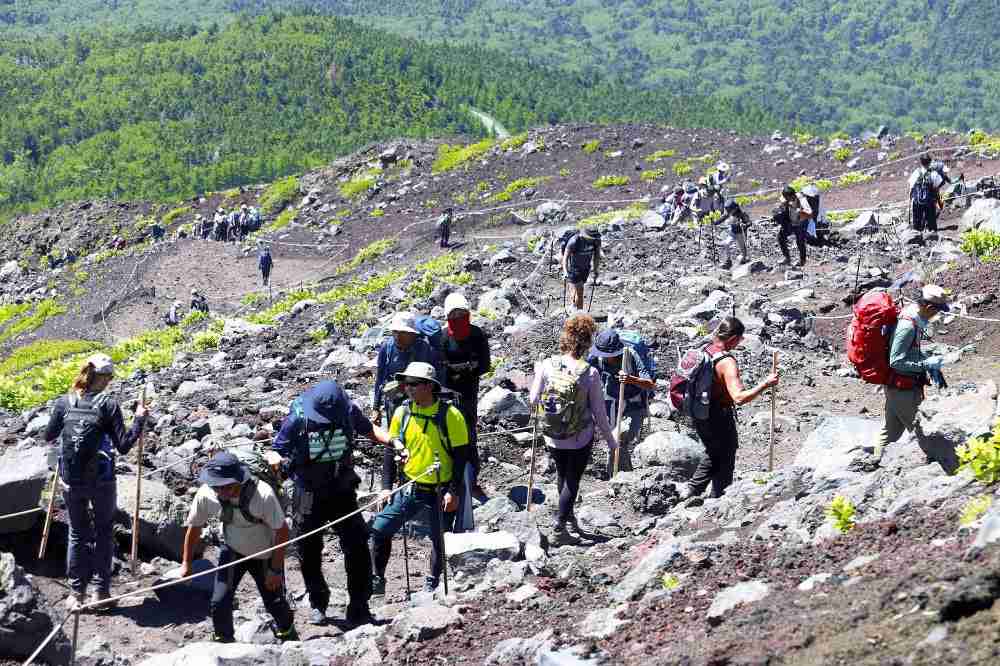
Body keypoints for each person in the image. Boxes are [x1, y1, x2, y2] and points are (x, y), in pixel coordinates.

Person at [271, 381, 390, 626]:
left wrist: (394, 442)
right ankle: (318, 602)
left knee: (357, 547)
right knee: (309, 550)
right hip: (308, 492)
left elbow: (370, 430)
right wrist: (274, 459)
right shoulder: (297, 419)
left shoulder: (347, 411)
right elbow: (277, 449)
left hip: (342, 488)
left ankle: (359, 605)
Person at [43, 353, 148, 610]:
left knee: (77, 533)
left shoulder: (64, 401)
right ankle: (100, 594)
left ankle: (76, 593)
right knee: (103, 532)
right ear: (104, 377)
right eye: (110, 377)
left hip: (71, 480)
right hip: (101, 479)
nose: (111, 381)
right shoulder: (108, 405)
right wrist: (140, 419)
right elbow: (123, 445)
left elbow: (48, 436)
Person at [369, 362, 470, 594]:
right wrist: (386, 487)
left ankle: (432, 581)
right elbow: (390, 448)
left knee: (439, 539)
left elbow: (461, 456)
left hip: (440, 488)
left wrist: (453, 491)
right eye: (405, 384)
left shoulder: (450, 415)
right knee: (380, 528)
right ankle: (377, 580)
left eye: (413, 384)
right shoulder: (402, 412)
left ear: (428, 386)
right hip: (410, 487)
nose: (407, 388)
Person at [180, 452, 298, 643]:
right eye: (218, 487)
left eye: (228, 486)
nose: (223, 492)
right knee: (219, 602)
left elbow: (282, 531)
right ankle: (224, 642)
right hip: (233, 549)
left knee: (275, 603)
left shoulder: (263, 495)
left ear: (239, 480)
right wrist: (186, 562)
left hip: (264, 554)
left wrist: (275, 569)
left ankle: (290, 638)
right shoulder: (206, 495)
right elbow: (194, 528)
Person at [529, 314, 618, 535]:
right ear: (588, 342)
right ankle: (560, 525)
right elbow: (599, 413)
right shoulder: (590, 373)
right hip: (579, 437)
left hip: (552, 434)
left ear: (566, 337)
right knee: (572, 480)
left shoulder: (547, 365)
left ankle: (568, 519)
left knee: (561, 474)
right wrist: (612, 442)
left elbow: (532, 399)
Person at [677, 317, 778, 500]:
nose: (740, 343)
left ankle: (704, 493)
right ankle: (709, 495)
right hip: (718, 415)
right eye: (740, 339)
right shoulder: (727, 362)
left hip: (699, 411)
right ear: (733, 339)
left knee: (717, 451)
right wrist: (766, 384)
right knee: (722, 455)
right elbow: (739, 397)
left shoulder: (704, 348)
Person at [873, 285, 953, 468]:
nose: (937, 315)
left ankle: (875, 463)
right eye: (937, 311)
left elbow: (909, 351)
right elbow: (896, 361)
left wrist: (925, 359)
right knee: (921, 431)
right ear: (929, 308)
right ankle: (927, 468)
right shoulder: (908, 326)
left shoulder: (913, 315)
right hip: (903, 389)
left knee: (891, 431)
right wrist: (926, 364)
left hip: (897, 386)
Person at [439, 292, 491, 502]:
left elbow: (484, 365)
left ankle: (471, 481)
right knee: (448, 436)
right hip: (447, 395)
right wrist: (464, 368)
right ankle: (450, 482)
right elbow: (441, 367)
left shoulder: (477, 335)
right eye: (455, 314)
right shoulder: (443, 337)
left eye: (462, 313)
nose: (459, 317)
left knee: (469, 436)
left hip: (469, 394)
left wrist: (464, 371)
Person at [587, 329, 654, 479]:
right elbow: (583, 372)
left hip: (634, 402)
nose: (602, 357)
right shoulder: (596, 357)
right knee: (614, 440)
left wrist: (631, 379)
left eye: (607, 356)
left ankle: (623, 475)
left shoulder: (630, 355)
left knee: (624, 438)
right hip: (611, 401)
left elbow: (649, 384)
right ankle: (616, 476)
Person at [372, 312, 444, 428]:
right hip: (394, 401)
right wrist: (376, 408)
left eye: (403, 333)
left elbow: (436, 379)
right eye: (395, 332)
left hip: (421, 401)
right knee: (396, 435)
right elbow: (380, 379)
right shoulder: (387, 349)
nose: (398, 337)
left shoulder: (425, 349)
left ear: (412, 334)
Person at [562, 227, 601, 311]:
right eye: (590, 238)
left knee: (578, 292)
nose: (591, 240)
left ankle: (576, 309)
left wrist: (595, 270)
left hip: (585, 269)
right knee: (579, 293)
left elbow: (596, 256)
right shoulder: (574, 241)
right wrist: (565, 271)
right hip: (574, 268)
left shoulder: (596, 241)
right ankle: (578, 312)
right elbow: (565, 257)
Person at [775, 185, 811, 266]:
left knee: (800, 242)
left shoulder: (801, 199)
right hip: (791, 222)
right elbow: (781, 202)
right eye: (785, 198)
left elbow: (809, 213)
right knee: (781, 237)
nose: (786, 199)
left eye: (787, 198)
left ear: (792, 195)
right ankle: (787, 258)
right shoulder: (786, 199)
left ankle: (802, 261)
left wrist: (800, 211)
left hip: (801, 223)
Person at [909, 154, 944, 235]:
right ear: (930, 162)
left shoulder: (916, 172)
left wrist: (911, 199)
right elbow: (937, 187)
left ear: (921, 162)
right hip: (930, 202)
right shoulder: (934, 173)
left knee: (917, 223)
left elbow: (911, 188)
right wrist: (939, 201)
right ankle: (933, 238)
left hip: (917, 201)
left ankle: (916, 239)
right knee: (931, 223)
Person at [717, 200, 750, 268]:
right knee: (726, 244)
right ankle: (728, 261)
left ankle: (744, 259)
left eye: (730, 211)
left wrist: (745, 225)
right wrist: (715, 222)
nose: (730, 213)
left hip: (740, 234)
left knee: (743, 252)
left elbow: (749, 222)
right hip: (733, 232)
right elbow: (722, 218)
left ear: (735, 208)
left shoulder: (742, 214)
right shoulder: (729, 213)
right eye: (729, 211)